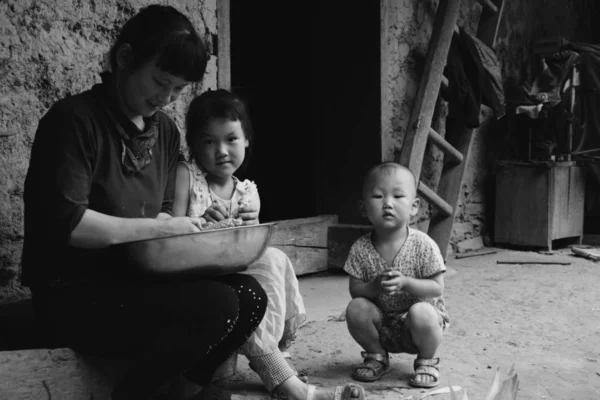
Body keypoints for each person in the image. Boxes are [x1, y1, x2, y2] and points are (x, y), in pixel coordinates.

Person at [21, 5, 268, 400]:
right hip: (74, 294)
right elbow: (72, 226)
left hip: (139, 282)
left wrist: (201, 225)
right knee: (216, 303)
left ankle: (182, 391)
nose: (166, 98)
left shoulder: (166, 131)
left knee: (251, 294)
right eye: (160, 81)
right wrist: (159, 227)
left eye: (178, 90)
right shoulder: (73, 121)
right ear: (124, 58)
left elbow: (166, 214)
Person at [173, 88, 367, 400]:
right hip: (199, 271)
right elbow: (173, 229)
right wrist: (202, 222)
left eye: (231, 139)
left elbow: (253, 248)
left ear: (246, 139)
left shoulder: (248, 191)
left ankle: (276, 349)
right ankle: (286, 383)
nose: (221, 150)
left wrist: (250, 226)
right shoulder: (188, 177)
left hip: (233, 267)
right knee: (250, 287)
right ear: (194, 145)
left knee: (275, 259)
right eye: (209, 141)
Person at [343, 162, 450, 389]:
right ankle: (377, 355)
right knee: (356, 308)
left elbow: (437, 288)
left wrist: (406, 283)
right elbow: (355, 291)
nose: (388, 204)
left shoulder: (423, 244)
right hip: (382, 323)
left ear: (414, 207)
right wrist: (375, 286)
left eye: (398, 196)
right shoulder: (361, 248)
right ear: (363, 208)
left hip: (418, 325)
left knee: (422, 312)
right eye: (378, 196)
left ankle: (426, 361)